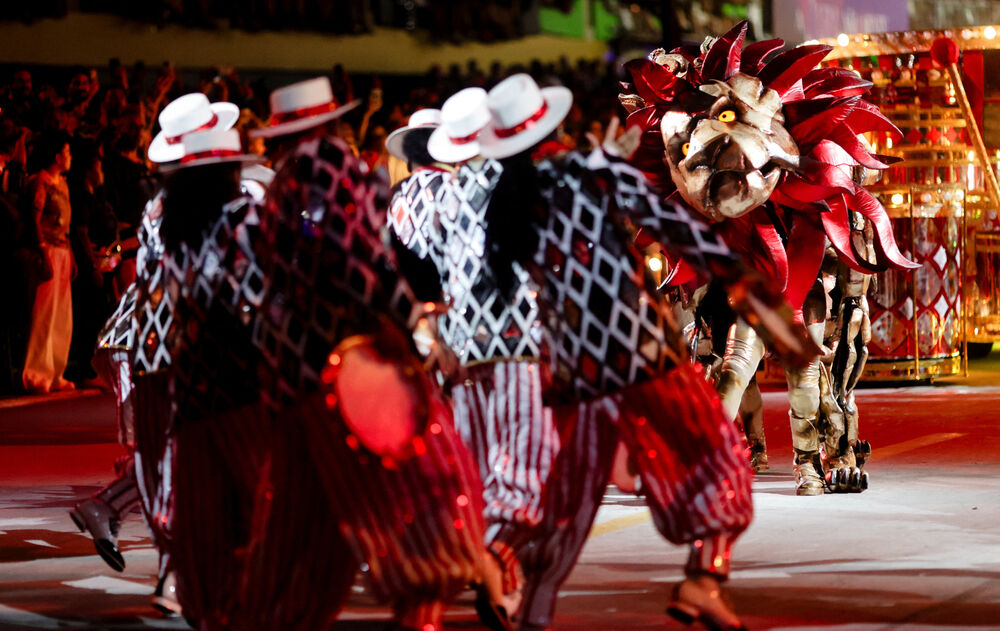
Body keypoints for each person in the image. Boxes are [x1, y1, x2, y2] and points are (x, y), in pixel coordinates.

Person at [22, 131, 75, 394]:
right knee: (44, 313)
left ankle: (56, 371)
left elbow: (66, 225)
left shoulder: (62, 183)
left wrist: (72, 253)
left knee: (62, 315)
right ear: (56, 156)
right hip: (48, 251)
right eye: (67, 152)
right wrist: (43, 252)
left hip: (63, 250)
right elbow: (34, 220)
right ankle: (36, 373)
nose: (69, 157)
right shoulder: (40, 182)